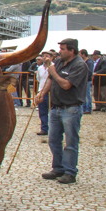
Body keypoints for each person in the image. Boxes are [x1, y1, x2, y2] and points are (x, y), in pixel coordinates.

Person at [35, 38, 87, 185]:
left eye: (63, 49)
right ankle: (58, 168)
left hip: (71, 108)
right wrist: (42, 94)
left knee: (70, 142)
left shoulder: (79, 65)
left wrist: (53, 72)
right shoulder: (58, 62)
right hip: (56, 107)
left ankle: (70, 172)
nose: (60, 51)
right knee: (53, 140)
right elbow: (50, 81)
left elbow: (66, 85)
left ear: (72, 50)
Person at [35, 52, 51, 135]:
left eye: (47, 56)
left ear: (51, 57)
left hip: (51, 92)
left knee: (52, 112)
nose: (45, 58)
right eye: (43, 56)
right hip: (41, 91)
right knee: (42, 111)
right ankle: (44, 129)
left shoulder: (54, 66)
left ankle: (53, 129)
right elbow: (38, 79)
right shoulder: (40, 68)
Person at [79, 49, 93, 114]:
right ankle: (84, 108)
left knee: (87, 95)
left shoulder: (89, 62)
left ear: (83, 54)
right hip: (83, 80)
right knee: (83, 95)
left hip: (87, 80)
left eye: (80, 54)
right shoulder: (83, 61)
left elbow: (90, 72)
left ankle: (88, 108)